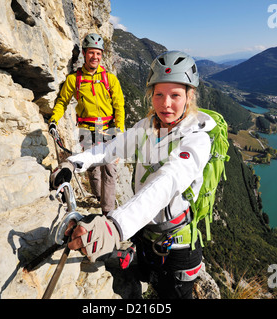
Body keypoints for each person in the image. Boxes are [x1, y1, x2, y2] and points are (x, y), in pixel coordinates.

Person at [52, 51, 216, 299]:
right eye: (158, 94)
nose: (165, 104)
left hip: (178, 249)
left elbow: (169, 180)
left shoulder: (197, 139)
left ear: (189, 96)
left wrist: (115, 227)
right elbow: (110, 148)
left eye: (175, 95)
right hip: (145, 236)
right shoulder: (147, 127)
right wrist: (73, 163)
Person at [48, 33, 125, 215]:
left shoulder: (109, 79)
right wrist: (53, 120)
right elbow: (62, 102)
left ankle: (108, 212)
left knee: (109, 170)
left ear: (102, 55)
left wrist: (120, 130)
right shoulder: (74, 79)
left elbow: (119, 105)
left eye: (98, 53)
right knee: (93, 169)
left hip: (109, 129)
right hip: (87, 131)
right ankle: (98, 197)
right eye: (91, 53)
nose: (95, 57)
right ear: (84, 53)